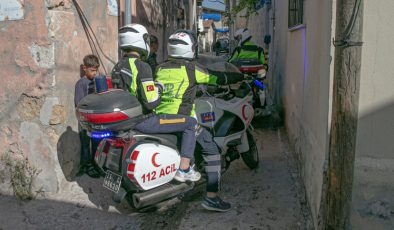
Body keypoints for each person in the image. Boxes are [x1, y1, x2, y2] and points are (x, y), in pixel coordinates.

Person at [142, 29, 244, 211]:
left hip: (161, 120)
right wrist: (238, 75)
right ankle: (212, 198)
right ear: (190, 48)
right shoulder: (191, 69)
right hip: (183, 121)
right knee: (212, 149)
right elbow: (215, 77)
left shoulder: (160, 68)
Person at [110, 24, 199, 183]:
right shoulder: (142, 66)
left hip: (126, 121)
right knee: (191, 123)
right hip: (145, 120)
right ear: (141, 41)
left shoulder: (117, 66)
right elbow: (151, 102)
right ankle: (184, 169)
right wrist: (159, 88)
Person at [74, 54, 101, 178]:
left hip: (96, 121)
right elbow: (79, 103)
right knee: (85, 145)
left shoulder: (97, 82)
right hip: (85, 121)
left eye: (96, 70)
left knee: (96, 143)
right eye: (92, 70)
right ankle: (86, 166)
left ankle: (96, 164)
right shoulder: (81, 83)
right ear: (85, 68)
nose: (95, 73)